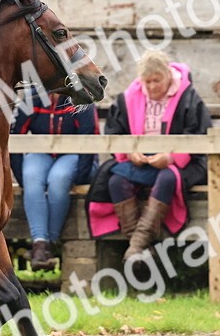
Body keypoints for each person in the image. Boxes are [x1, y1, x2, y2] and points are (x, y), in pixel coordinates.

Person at [87, 50, 211, 263]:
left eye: (157, 80)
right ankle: (140, 248)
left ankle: (135, 246)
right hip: (140, 161)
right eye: (147, 82)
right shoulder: (128, 98)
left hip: (180, 162)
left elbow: (198, 134)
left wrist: (170, 157)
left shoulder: (188, 96)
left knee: (167, 178)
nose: (152, 86)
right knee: (116, 180)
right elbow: (115, 131)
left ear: (168, 76)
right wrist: (129, 151)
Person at [12, 88, 98, 270]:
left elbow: (88, 139)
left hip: (73, 154)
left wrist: (82, 179)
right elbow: (16, 135)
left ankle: (50, 242)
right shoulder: (32, 98)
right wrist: (21, 179)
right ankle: (40, 244)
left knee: (58, 179)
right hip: (42, 153)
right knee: (31, 177)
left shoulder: (80, 98)